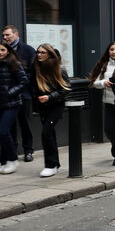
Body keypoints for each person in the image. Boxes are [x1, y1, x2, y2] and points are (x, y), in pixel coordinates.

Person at [31, 44, 70, 177]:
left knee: (46, 133)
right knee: (50, 135)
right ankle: (55, 164)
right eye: (38, 52)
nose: (39, 55)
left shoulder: (59, 69)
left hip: (56, 105)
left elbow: (65, 90)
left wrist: (49, 97)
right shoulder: (36, 67)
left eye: (42, 53)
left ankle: (50, 165)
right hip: (43, 106)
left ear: (50, 54)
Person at [2, 25, 35, 162]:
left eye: (7, 35)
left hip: (24, 94)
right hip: (8, 97)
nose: (5, 37)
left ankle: (28, 151)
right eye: (4, 35)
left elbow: (32, 73)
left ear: (16, 34)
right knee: (10, 126)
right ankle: (12, 151)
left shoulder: (28, 50)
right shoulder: (3, 50)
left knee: (25, 124)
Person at [0, 41, 28, 174]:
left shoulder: (14, 63)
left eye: (2, 50)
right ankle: (4, 161)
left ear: (8, 51)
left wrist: (9, 93)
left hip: (12, 104)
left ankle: (13, 159)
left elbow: (24, 82)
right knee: (5, 133)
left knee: (3, 131)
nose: (0, 53)